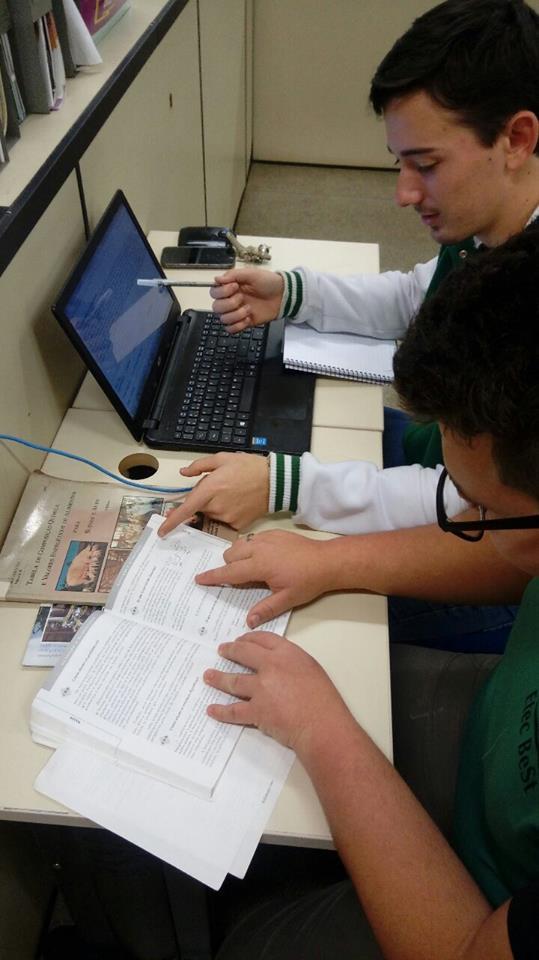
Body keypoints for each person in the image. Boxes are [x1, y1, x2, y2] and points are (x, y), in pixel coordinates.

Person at [202, 224, 539, 960]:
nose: (462, 521)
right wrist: (333, 564)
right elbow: (515, 561)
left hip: (480, 908)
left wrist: (325, 730)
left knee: (249, 942)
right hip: (495, 732)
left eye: (477, 509)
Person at [160, 0, 539, 654]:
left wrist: (287, 487)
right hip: (457, 481)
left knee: (281, 607)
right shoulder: (488, 233)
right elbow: (412, 298)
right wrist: (292, 293)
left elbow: (485, 510)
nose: (401, 193)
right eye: (398, 162)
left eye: (425, 163)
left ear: (516, 139)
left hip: (491, 551)